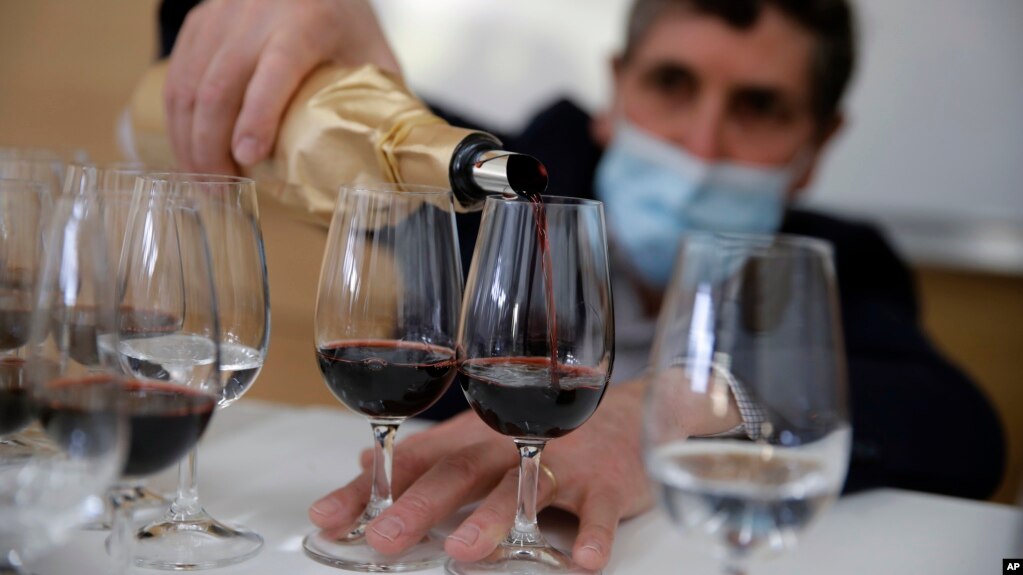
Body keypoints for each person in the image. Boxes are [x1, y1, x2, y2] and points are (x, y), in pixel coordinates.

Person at [156, 0, 1006, 570]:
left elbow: (960, 429)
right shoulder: (501, 181)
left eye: (758, 107)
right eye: (671, 86)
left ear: (816, 144)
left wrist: (671, 408)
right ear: (614, 90)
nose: (700, 143)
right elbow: (268, 86)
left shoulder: (833, 259)